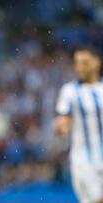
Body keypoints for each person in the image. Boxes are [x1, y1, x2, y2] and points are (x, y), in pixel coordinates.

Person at [54, 46, 103, 203]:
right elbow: (63, 119)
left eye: (85, 62)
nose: (80, 67)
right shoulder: (69, 91)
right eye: (77, 63)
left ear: (97, 63)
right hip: (84, 162)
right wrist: (60, 127)